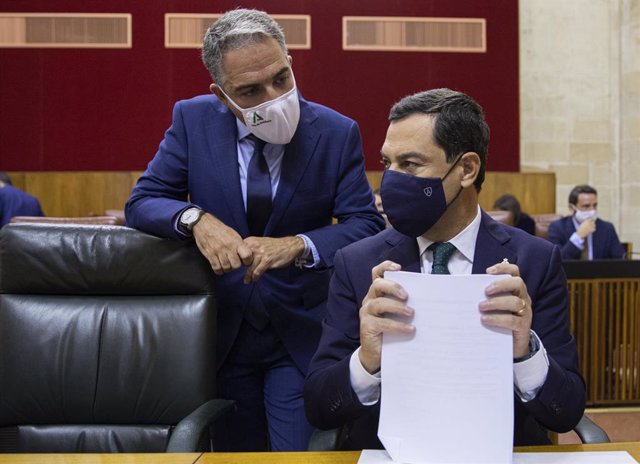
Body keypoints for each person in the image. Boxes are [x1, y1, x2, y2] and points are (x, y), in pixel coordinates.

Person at [124, 9, 384, 452]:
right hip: (219, 334)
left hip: (298, 334)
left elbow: (365, 225)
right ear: (222, 96)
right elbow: (143, 201)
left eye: (281, 78)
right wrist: (196, 220)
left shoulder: (337, 133)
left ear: (290, 61)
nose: (273, 97)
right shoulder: (193, 121)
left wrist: (299, 245)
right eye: (250, 90)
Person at [304, 88, 586, 449]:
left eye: (410, 164)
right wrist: (367, 359)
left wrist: (524, 351)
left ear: (466, 169)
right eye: (388, 163)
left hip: (500, 452)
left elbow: (566, 412)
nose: (390, 179)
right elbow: (319, 408)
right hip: (387, 455)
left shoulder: (535, 261)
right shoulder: (358, 263)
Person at [548, 185, 625, 260]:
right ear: (571, 208)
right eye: (586, 206)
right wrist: (579, 236)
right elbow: (556, 261)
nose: (592, 211)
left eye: (594, 205)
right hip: (570, 273)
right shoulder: (557, 228)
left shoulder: (607, 228)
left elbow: (620, 259)